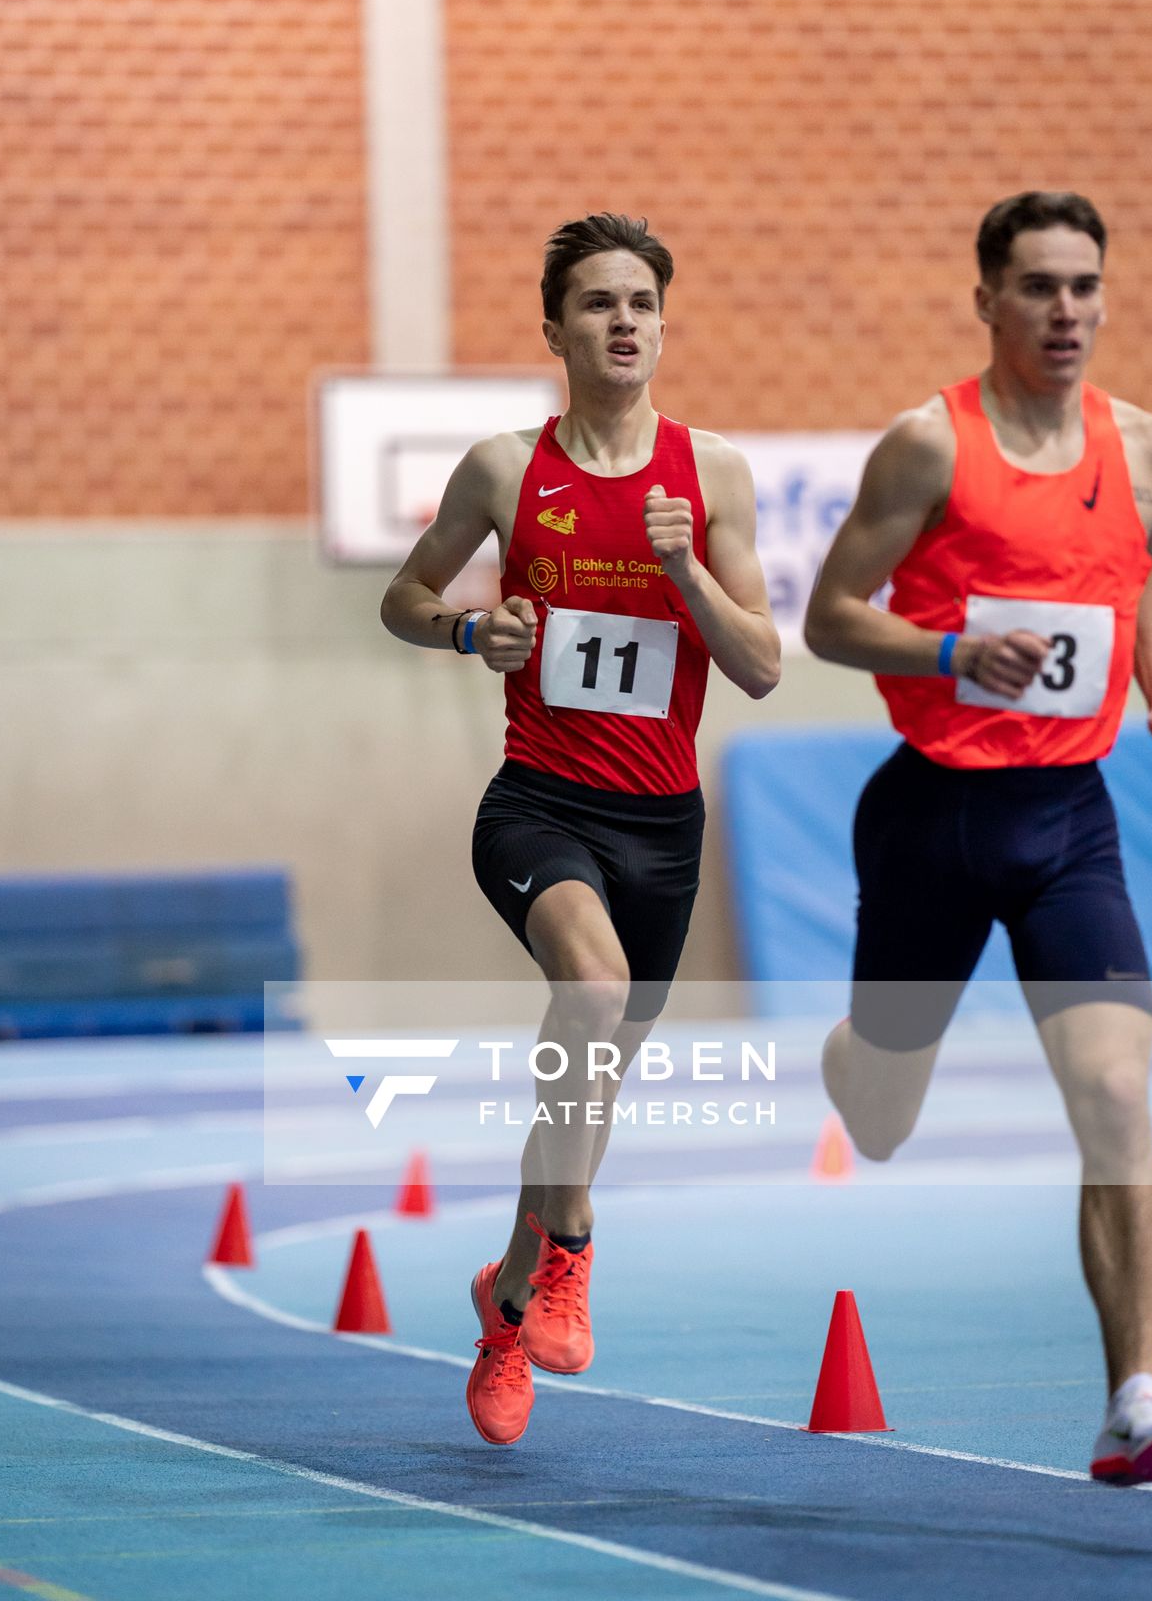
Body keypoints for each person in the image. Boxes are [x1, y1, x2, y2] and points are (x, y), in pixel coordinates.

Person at [803, 190, 1152, 1487]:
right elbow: (825, 618)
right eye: (1038, 287)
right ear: (986, 299)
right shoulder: (928, 448)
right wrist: (947, 649)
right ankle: (856, 1054)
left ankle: (1134, 1403)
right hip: (931, 815)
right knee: (880, 1119)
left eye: (1084, 285)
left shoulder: (1150, 447)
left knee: (1115, 1097)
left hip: (1067, 822)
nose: (1066, 311)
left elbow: (1133, 571)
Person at [380, 212, 780, 1445]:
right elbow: (404, 594)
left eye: (640, 304)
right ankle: (573, 1251)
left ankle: (508, 1295)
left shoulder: (709, 477)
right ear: (553, 327)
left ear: (662, 326)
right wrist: (463, 631)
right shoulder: (506, 470)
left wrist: (687, 575)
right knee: (592, 997)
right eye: (597, 303)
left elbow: (761, 666)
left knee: (588, 1071)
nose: (622, 322)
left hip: (662, 826)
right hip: (539, 807)